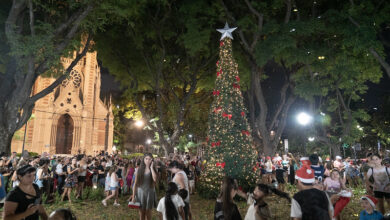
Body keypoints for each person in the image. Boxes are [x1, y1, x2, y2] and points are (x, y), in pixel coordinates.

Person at [131, 153, 158, 220]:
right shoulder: (139, 170)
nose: (148, 161)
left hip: (150, 192)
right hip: (140, 193)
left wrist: (151, 168)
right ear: (143, 159)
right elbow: (135, 184)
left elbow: (155, 179)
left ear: (152, 160)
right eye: (146, 159)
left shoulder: (154, 169)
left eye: (149, 159)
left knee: (148, 213)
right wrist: (133, 196)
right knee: (142, 213)